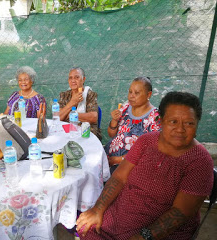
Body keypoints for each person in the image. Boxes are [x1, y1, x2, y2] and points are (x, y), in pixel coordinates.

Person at [76, 91, 214, 240]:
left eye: (189, 123)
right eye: (173, 121)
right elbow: (119, 178)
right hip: (122, 215)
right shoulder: (146, 141)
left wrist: (143, 237)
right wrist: (98, 209)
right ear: (160, 121)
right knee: (86, 227)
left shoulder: (200, 161)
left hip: (160, 232)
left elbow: (179, 212)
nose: (180, 129)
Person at [104, 77, 161, 173]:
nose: (131, 96)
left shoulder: (155, 117)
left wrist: (117, 160)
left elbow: (150, 153)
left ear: (149, 94)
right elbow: (111, 135)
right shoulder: (126, 107)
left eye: (137, 93)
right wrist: (114, 120)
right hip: (109, 157)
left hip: (129, 167)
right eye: (130, 92)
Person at [58, 67, 102, 140]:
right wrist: (72, 102)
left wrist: (69, 115)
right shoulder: (64, 95)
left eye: (77, 77)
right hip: (68, 132)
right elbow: (58, 117)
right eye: (70, 78)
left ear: (83, 79)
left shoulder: (90, 95)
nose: (73, 81)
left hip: (86, 132)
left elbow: (93, 117)